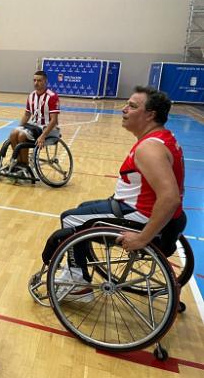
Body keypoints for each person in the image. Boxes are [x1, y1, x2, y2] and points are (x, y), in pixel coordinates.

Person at [42, 86, 186, 294]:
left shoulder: (149, 149)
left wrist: (142, 238)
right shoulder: (163, 137)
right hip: (142, 210)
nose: (124, 109)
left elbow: (170, 198)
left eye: (132, 106)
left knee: (69, 219)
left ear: (150, 115)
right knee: (83, 208)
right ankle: (78, 269)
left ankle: (78, 283)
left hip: (138, 216)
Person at [8, 70, 60, 170]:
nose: (36, 83)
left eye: (39, 80)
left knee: (22, 136)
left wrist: (43, 136)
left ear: (45, 81)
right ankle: (19, 164)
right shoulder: (31, 96)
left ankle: (25, 165)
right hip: (34, 127)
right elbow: (27, 115)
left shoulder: (52, 97)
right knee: (13, 134)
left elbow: (54, 120)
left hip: (48, 129)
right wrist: (18, 127)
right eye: (34, 80)